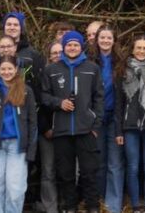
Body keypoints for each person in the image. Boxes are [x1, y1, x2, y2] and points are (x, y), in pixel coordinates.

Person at [40, 31, 104, 213]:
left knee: (89, 173)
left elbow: (99, 97)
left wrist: (95, 124)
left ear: (81, 46)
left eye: (76, 44)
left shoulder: (92, 68)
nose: (72, 48)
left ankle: (92, 206)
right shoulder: (52, 69)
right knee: (65, 174)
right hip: (62, 130)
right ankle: (70, 207)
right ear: (64, 47)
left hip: (86, 130)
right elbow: (43, 96)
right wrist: (59, 103)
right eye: (69, 45)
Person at [0, 55, 37, 213]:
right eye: (3, 69)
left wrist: (31, 149)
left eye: (9, 68)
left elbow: (33, 123)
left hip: (17, 147)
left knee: (15, 189)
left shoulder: (26, 91)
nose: (6, 72)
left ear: (16, 70)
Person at [115, 36, 145, 212]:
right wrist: (119, 131)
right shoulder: (122, 71)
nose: (142, 51)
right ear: (132, 50)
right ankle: (135, 205)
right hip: (130, 126)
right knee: (133, 167)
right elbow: (119, 104)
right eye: (138, 48)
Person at [89, 26, 124, 213]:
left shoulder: (120, 62)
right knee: (99, 161)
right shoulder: (90, 61)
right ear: (97, 40)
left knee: (115, 163)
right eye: (102, 37)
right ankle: (100, 200)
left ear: (114, 40)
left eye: (109, 38)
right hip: (96, 117)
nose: (105, 41)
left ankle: (113, 206)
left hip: (115, 117)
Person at [35, 42, 61, 213]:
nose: (58, 55)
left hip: (69, 132)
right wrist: (45, 128)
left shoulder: (74, 73)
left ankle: (66, 204)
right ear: (49, 56)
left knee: (68, 172)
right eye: (54, 52)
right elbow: (38, 104)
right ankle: (50, 207)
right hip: (47, 132)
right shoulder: (42, 75)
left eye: (61, 52)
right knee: (48, 170)